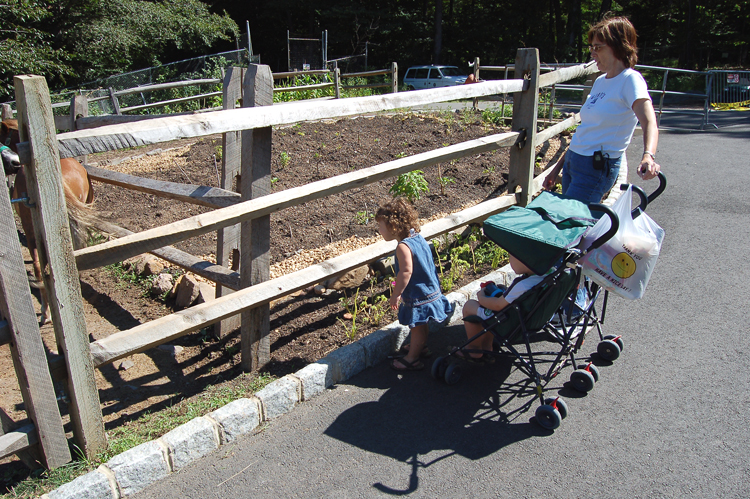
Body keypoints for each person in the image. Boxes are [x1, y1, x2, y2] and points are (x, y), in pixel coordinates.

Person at [543, 15, 661, 202]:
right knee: (571, 221)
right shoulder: (600, 81)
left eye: (598, 47)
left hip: (595, 167)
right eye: (592, 47)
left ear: (618, 46)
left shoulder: (630, 80)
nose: (593, 53)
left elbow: (649, 122)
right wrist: (557, 169)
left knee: (572, 222)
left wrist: (648, 155)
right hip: (574, 162)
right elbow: (586, 131)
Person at [376, 198, 453, 371]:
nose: (379, 231)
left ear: (393, 227)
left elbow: (405, 272)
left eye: (381, 227)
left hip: (418, 293)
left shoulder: (403, 247)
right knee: (421, 323)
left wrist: (396, 294)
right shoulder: (417, 237)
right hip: (429, 288)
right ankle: (421, 346)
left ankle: (412, 358)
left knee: (417, 326)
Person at [459, 254, 545, 360]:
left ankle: (474, 349)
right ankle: (487, 346)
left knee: (470, 306)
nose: (509, 259)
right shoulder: (550, 275)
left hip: (510, 322)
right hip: (533, 319)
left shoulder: (523, 285)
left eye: (511, 256)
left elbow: (497, 305)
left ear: (526, 261)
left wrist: (481, 297)